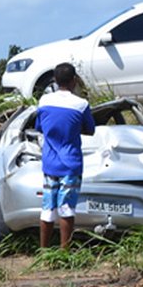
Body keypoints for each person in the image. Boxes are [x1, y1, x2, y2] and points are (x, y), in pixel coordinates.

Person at [36, 62, 95, 250]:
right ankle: (64, 250)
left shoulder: (44, 102)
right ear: (74, 80)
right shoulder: (81, 104)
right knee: (67, 209)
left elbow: (39, 127)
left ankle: (44, 250)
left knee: (47, 209)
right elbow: (90, 129)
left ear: (54, 80)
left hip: (49, 163)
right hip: (71, 163)